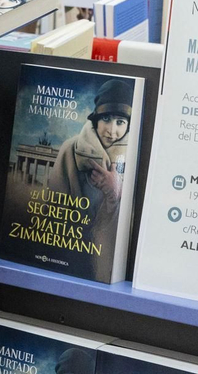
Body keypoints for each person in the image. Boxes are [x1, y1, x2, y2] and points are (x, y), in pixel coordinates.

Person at [46, 77, 135, 277]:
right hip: (69, 248)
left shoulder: (135, 155)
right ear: (95, 119)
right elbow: (53, 206)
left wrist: (115, 191)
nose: (112, 130)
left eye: (120, 122)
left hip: (111, 258)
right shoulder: (70, 148)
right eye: (106, 119)